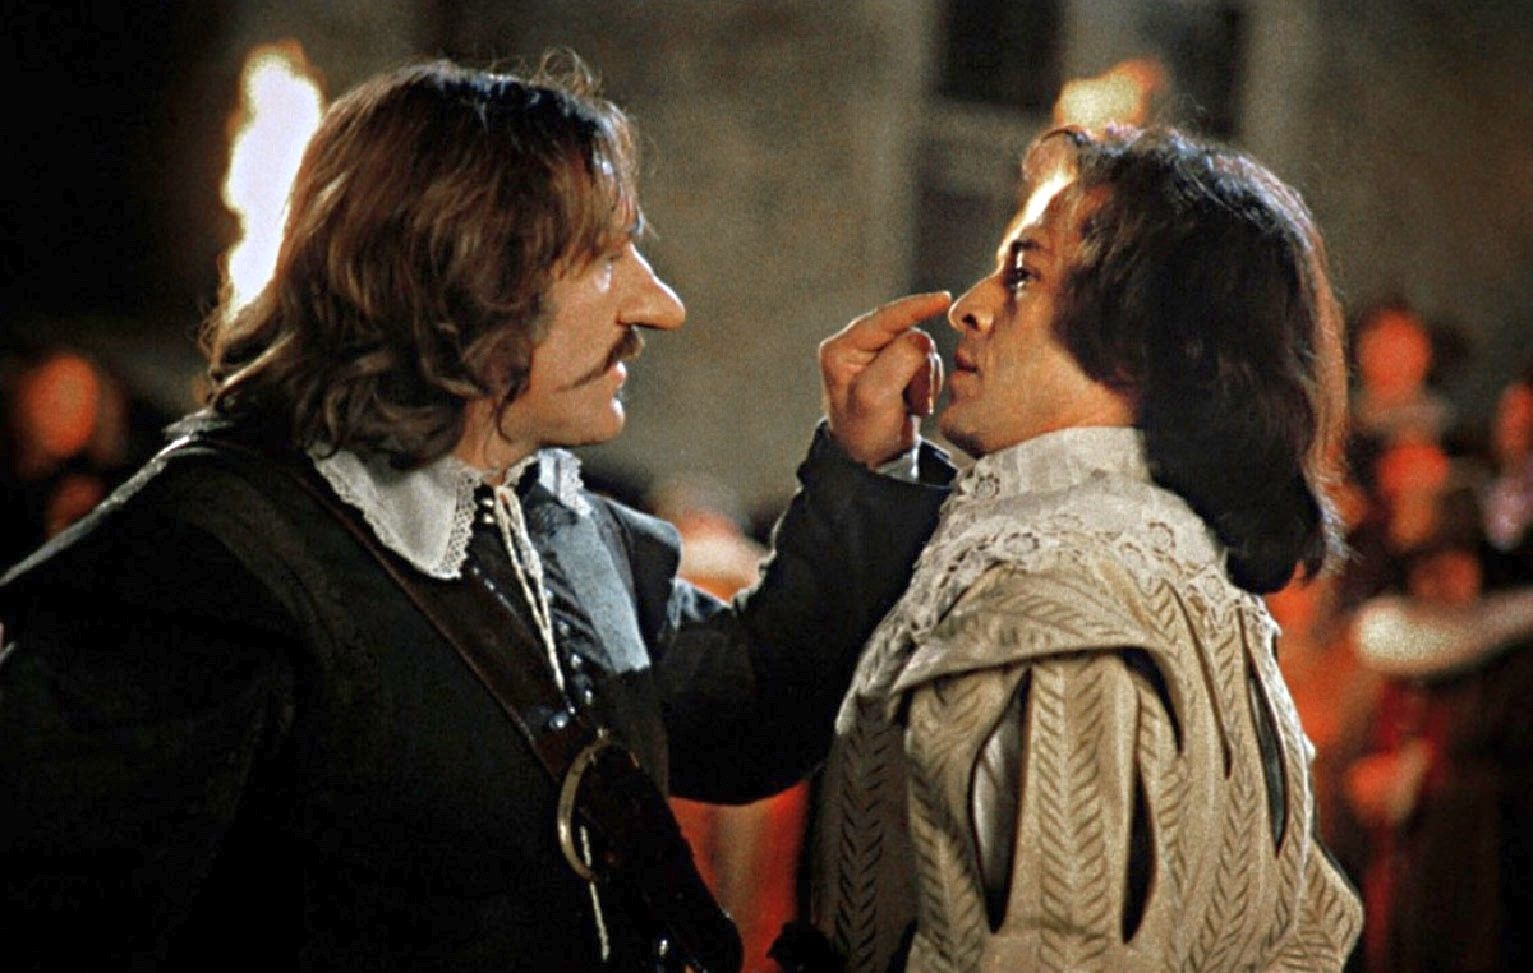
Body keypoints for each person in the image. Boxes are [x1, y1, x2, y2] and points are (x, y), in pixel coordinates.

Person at [0, 56, 956, 971]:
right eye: (604, 257)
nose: (659, 306)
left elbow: (747, 712)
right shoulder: (201, 568)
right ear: (465, 280)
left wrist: (864, 467)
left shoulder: (553, 522)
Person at [802, 125, 1363, 972]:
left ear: (1141, 341)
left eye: (1022, 275)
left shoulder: (1061, 590)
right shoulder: (1165, 570)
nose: (968, 307)